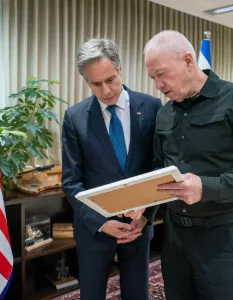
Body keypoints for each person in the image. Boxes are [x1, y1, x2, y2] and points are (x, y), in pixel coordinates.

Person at [141, 30, 233, 300]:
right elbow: (159, 169)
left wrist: (207, 187)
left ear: (189, 61)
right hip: (174, 236)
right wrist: (142, 208)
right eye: (153, 78)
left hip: (222, 235)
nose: (158, 85)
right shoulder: (165, 112)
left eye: (162, 74)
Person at [61, 38, 162, 300]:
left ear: (120, 69)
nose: (106, 90)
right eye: (96, 83)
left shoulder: (151, 107)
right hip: (94, 230)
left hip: (138, 227)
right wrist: (102, 223)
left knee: (137, 294)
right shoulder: (75, 118)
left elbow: (158, 166)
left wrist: (146, 215)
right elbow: (72, 181)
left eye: (111, 79)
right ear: (87, 82)